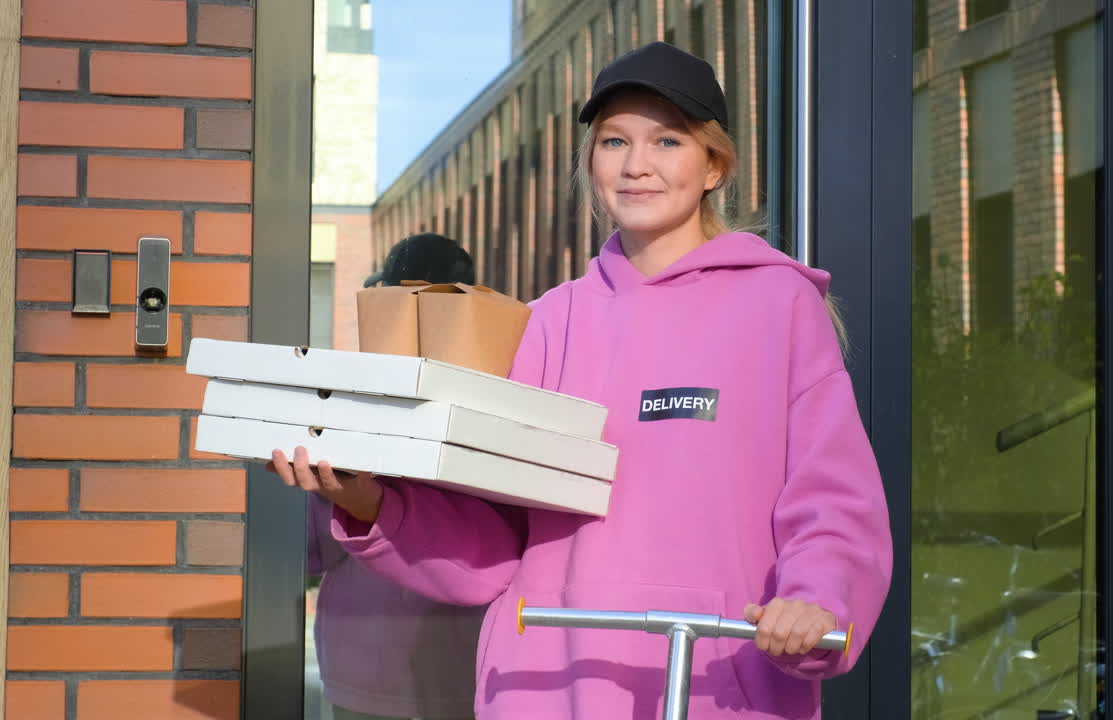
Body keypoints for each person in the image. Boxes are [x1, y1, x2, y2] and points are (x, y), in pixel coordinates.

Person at [275, 42, 893, 720]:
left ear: (713, 163)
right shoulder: (546, 322)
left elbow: (833, 500)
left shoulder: (778, 307)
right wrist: (369, 501)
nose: (636, 165)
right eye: (613, 142)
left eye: (666, 140)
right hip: (546, 690)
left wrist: (816, 598)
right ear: (590, 162)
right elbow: (494, 539)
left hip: (716, 682)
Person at [309, 233, 484, 720]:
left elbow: (306, 549)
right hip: (463, 663)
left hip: (364, 665)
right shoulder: (491, 402)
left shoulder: (348, 404)